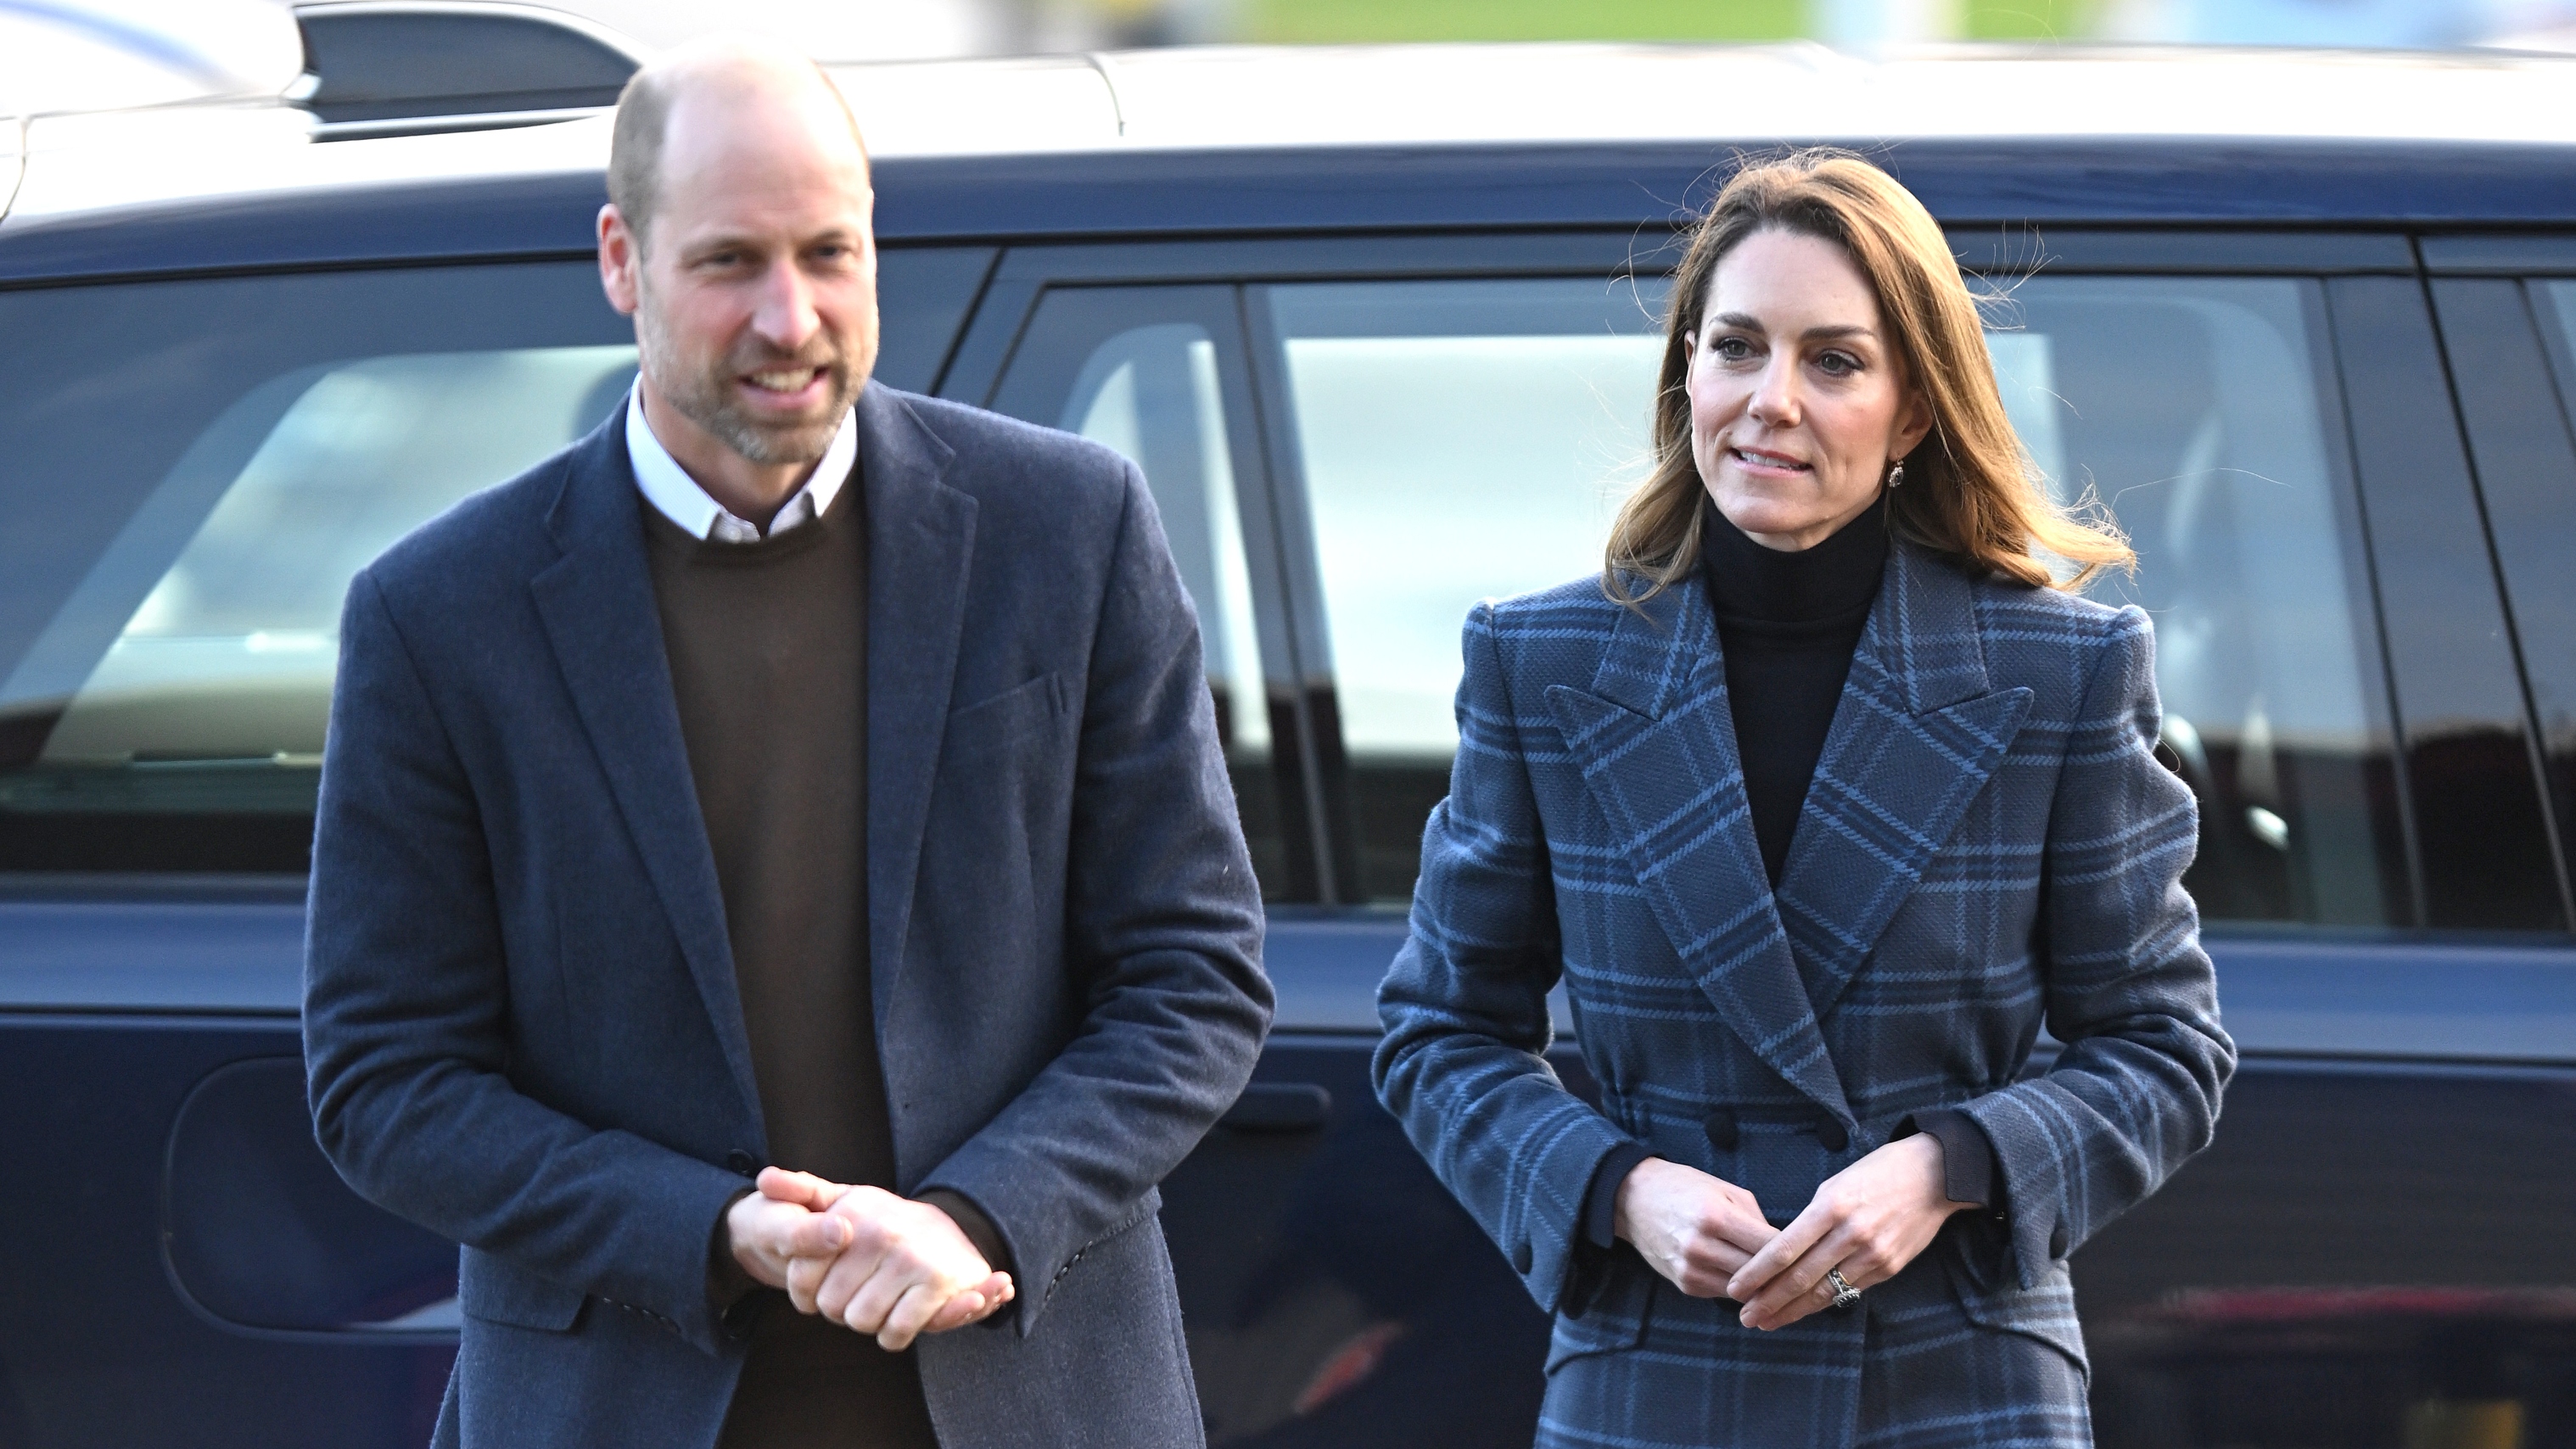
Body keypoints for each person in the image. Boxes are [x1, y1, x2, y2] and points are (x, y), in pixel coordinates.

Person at [302, 37, 1270, 1449]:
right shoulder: (436, 616)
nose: (790, 316)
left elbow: (1196, 977)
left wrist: (977, 1214)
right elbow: (386, 1079)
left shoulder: (1072, 531)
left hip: (1033, 1397)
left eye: (831, 253)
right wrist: (711, 1230)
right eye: (730, 263)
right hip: (619, 1405)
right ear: (623, 260)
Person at [1372, 149, 2235, 1447]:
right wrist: (1620, 1187)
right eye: (1737, 348)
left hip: (1958, 1384)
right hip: (1654, 1370)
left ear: (1914, 412)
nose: (1771, 400)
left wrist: (1946, 1170)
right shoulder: (1542, 664)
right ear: (1688, 377)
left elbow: (2167, 1054)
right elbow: (1439, 1035)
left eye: (1833, 361)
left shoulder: (2058, 672)